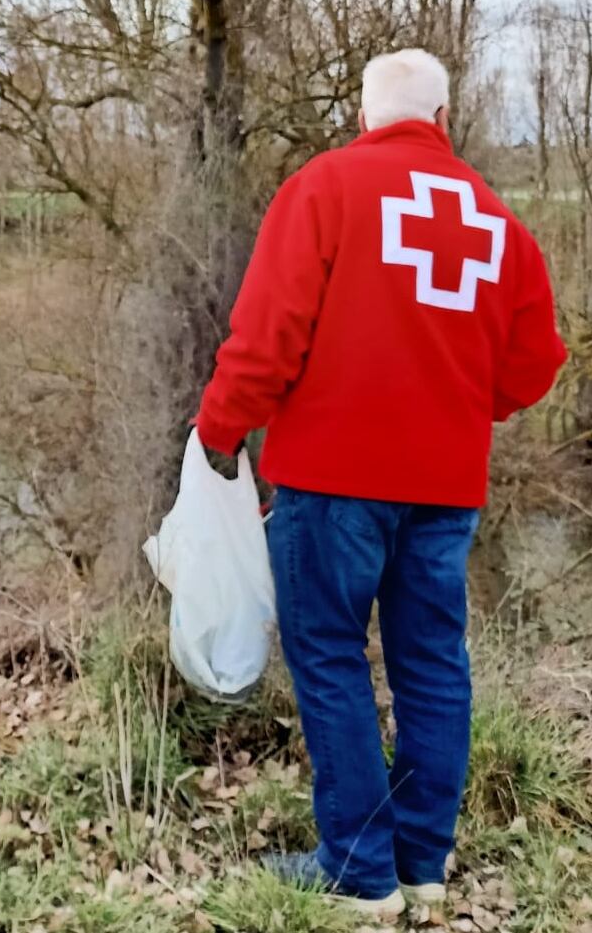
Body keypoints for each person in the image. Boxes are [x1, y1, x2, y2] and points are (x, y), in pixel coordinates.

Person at [194, 49, 567, 918]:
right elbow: (536, 363)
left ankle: (360, 875)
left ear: (366, 114)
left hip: (330, 478)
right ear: (443, 117)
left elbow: (265, 337)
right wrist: (465, 401)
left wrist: (217, 428)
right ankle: (421, 866)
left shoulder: (324, 189)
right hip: (445, 485)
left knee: (328, 654)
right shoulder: (498, 222)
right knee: (433, 663)